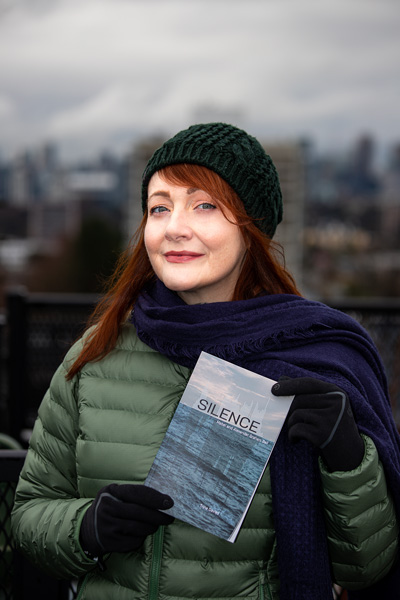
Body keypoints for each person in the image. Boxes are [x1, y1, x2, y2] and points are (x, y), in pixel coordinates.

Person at [12, 122, 400, 600]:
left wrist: (347, 458)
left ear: (251, 228)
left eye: (205, 205)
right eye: (159, 208)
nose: (175, 227)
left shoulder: (317, 359)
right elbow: (28, 514)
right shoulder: (98, 352)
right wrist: (85, 527)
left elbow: (367, 567)